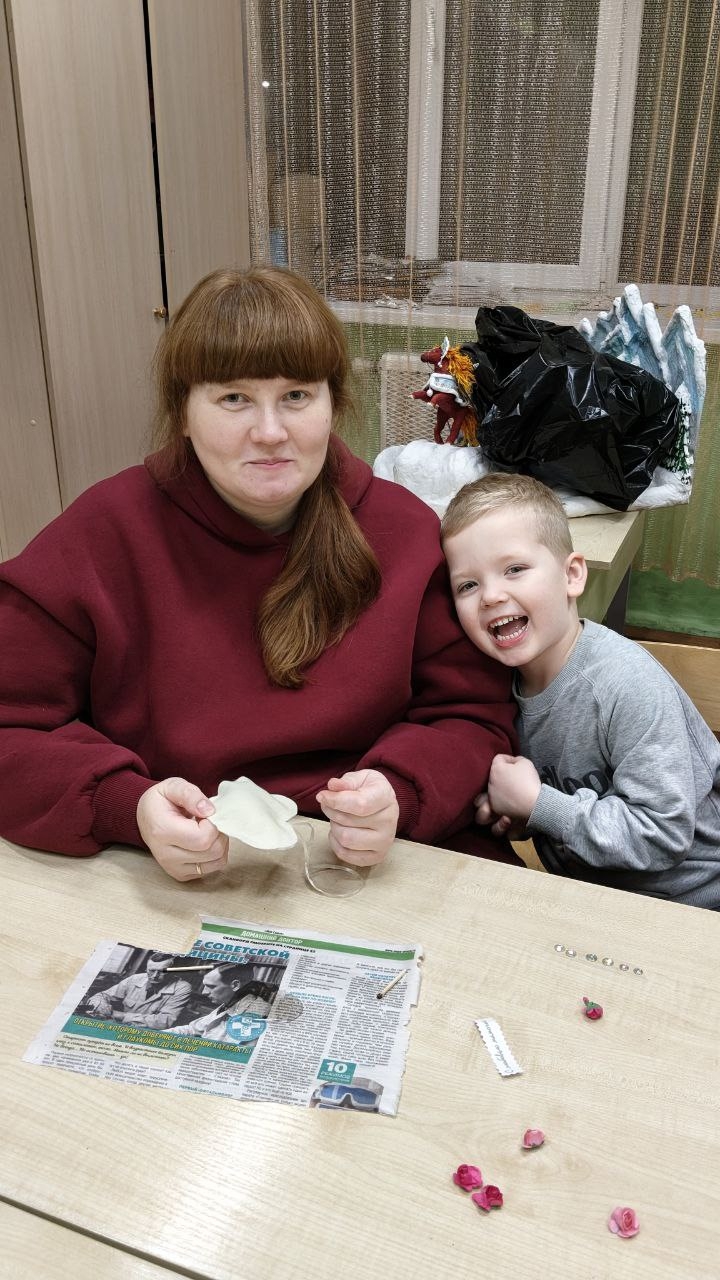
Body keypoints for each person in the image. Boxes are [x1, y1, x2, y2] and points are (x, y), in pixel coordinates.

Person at [0, 265, 518, 881]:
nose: (270, 433)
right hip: (171, 863)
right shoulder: (102, 533)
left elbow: (472, 714)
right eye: (233, 399)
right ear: (183, 412)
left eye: (296, 396)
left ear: (332, 405)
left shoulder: (404, 533)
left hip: (374, 858)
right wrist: (126, 805)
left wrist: (398, 791)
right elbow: (12, 726)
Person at [441, 471, 720, 909]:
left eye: (515, 569)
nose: (491, 596)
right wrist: (521, 814)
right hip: (588, 900)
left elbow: (663, 836)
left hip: (692, 906)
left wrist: (540, 804)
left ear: (571, 575)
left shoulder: (625, 684)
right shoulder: (494, 688)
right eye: (468, 585)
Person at [85, 952, 192, 1028]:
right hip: (119, 1026)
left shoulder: (183, 987)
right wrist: (101, 1005)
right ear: (146, 968)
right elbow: (102, 995)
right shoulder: (135, 979)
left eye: (162, 972)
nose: (155, 976)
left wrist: (118, 1014)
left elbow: (164, 1021)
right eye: (151, 970)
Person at [170, 969, 272, 1041]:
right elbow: (193, 1029)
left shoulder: (258, 1011)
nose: (204, 992)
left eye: (211, 986)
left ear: (235, 985)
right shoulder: (229, 1004)